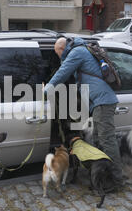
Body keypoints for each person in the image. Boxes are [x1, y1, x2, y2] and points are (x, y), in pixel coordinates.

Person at [45, 37, 124, 190]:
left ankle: (116, 181)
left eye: (58, 54)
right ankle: (101, 177)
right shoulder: (82, 50)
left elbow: (62, 73)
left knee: (107, 140)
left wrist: (46, 89)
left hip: (103, 102)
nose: (59, 57)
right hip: (98, 102)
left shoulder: (77, 52)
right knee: (97, 140)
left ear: (63, 49)